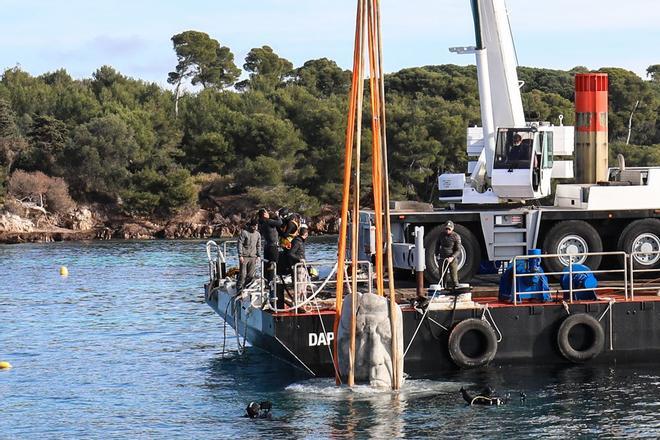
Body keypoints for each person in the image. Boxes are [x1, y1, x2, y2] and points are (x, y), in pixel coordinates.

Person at [258, 208, 282, 305]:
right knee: (273, 264)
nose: (268, 214)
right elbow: (279, 223)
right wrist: (277, 215)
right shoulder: (268, 221)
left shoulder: (261, 223)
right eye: (267, 213)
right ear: (264, 214)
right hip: (273, 246)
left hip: (267, 246)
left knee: (267, 265)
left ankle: (268, 282)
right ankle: (272, 284)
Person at [237, 218, 261, 293]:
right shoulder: (244, 233)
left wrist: (258, 255)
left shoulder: (258, 234)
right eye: (254, 226)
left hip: (253, 257)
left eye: (256, 226)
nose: (255, 227)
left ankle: (246, 287)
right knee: (243, 274)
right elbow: (239, 243)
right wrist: (240, 255)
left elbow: (258, 245)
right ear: (251, 226)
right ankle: (239, 289)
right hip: (244, 256)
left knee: (250, 275)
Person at [436, 220, 461, 289]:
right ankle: (443, 287)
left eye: (449, 229)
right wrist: (436, 254)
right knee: (442, 276)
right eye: (446, 228)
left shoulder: (456, 236)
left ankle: (455, 287)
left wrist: (452, 257)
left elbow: (458, 250)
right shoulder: (441, 235)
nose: (447, 230)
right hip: (442, 258)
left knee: (454, 276)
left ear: (452, 229)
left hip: (452, 259)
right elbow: (437, 244)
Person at [288, 225, 310, 303]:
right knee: (299, 285)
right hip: (298, 266)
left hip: (302, 266)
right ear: (306, 234)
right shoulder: (297, 242)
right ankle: (297, 302)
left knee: (304, 284)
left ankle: (303, 301)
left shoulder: (301, 242)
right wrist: (299, 259)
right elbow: (290, 253)